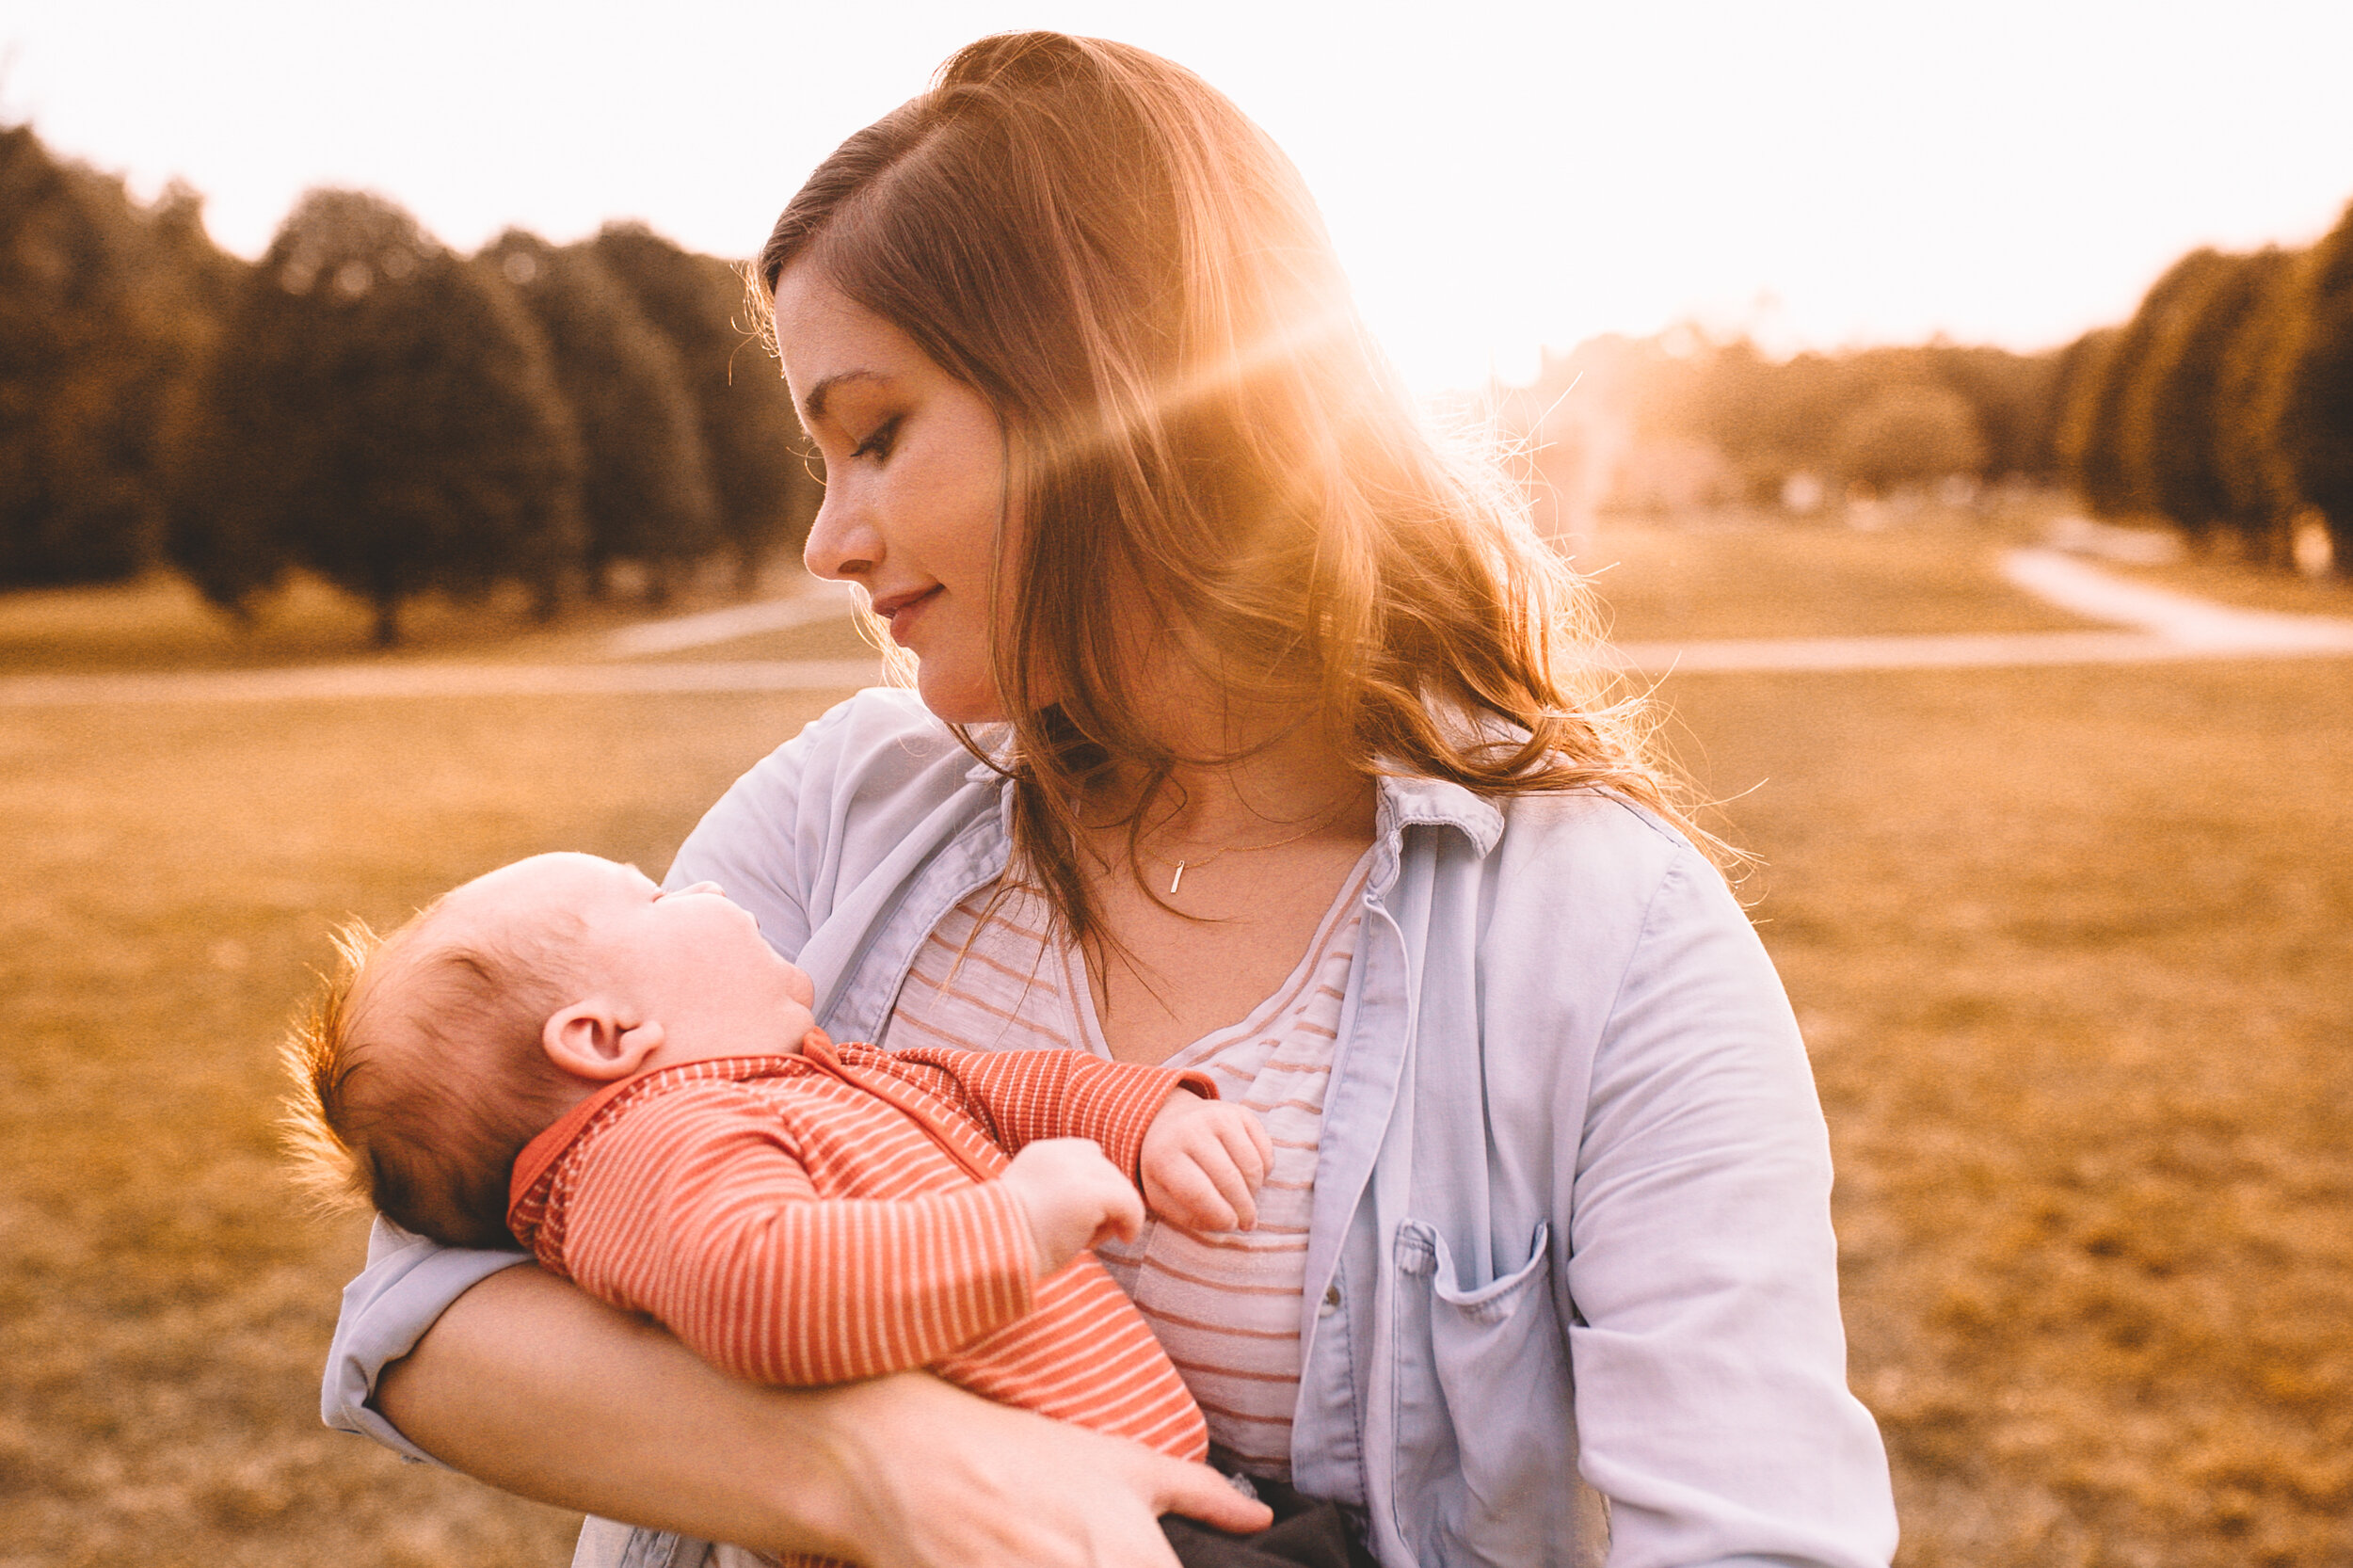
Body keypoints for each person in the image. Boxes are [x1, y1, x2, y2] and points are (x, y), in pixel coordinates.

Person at [323, 30, 1899, 1568]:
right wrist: (878, 1471)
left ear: (1123, 399)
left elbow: (1761, 1536)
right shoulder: (844, 813)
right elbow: (414, 1315)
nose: (830, 541)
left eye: (875, 436)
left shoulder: (1610, 937)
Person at [289, 849, 1319, 1566]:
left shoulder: (800, 1081)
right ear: (603, 1037)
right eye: (656, 895)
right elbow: (763, 1290)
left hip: (1159, 1498)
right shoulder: (647, 1150)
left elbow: (983, 1087)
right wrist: (1014, 1222)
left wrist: (1144, 1120)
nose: (705, 887)